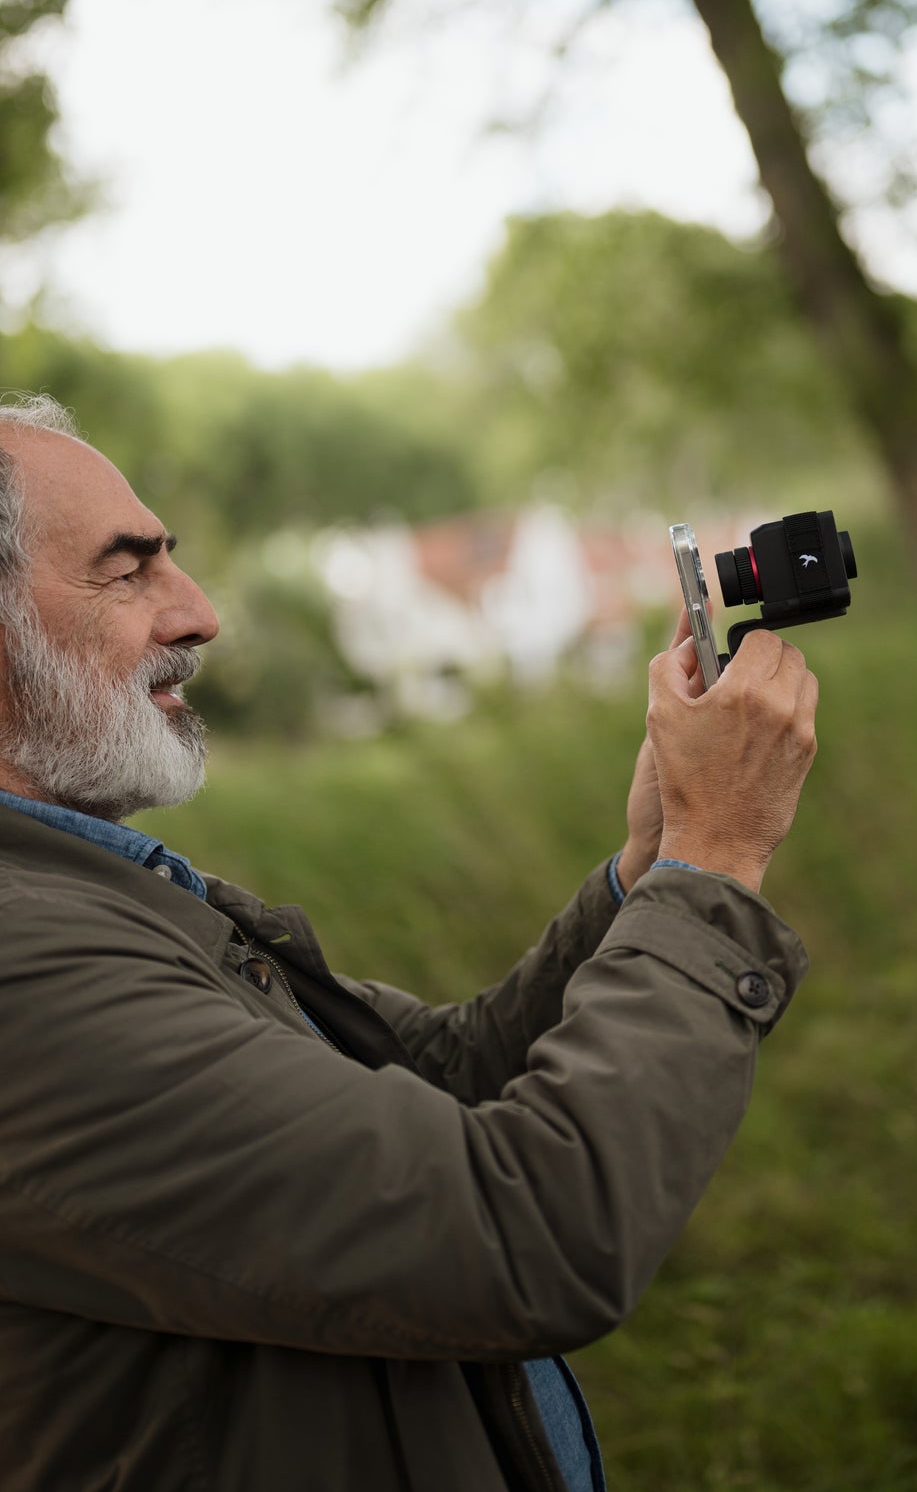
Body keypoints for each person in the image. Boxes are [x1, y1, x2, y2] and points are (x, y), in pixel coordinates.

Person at [0, 394, 819, 1492]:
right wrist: (715, 863)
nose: (197, 614)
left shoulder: (89, 892)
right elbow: (524, 1232)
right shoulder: (27, 972)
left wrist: (651, 868)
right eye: (126, 570)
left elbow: (439, 1086)